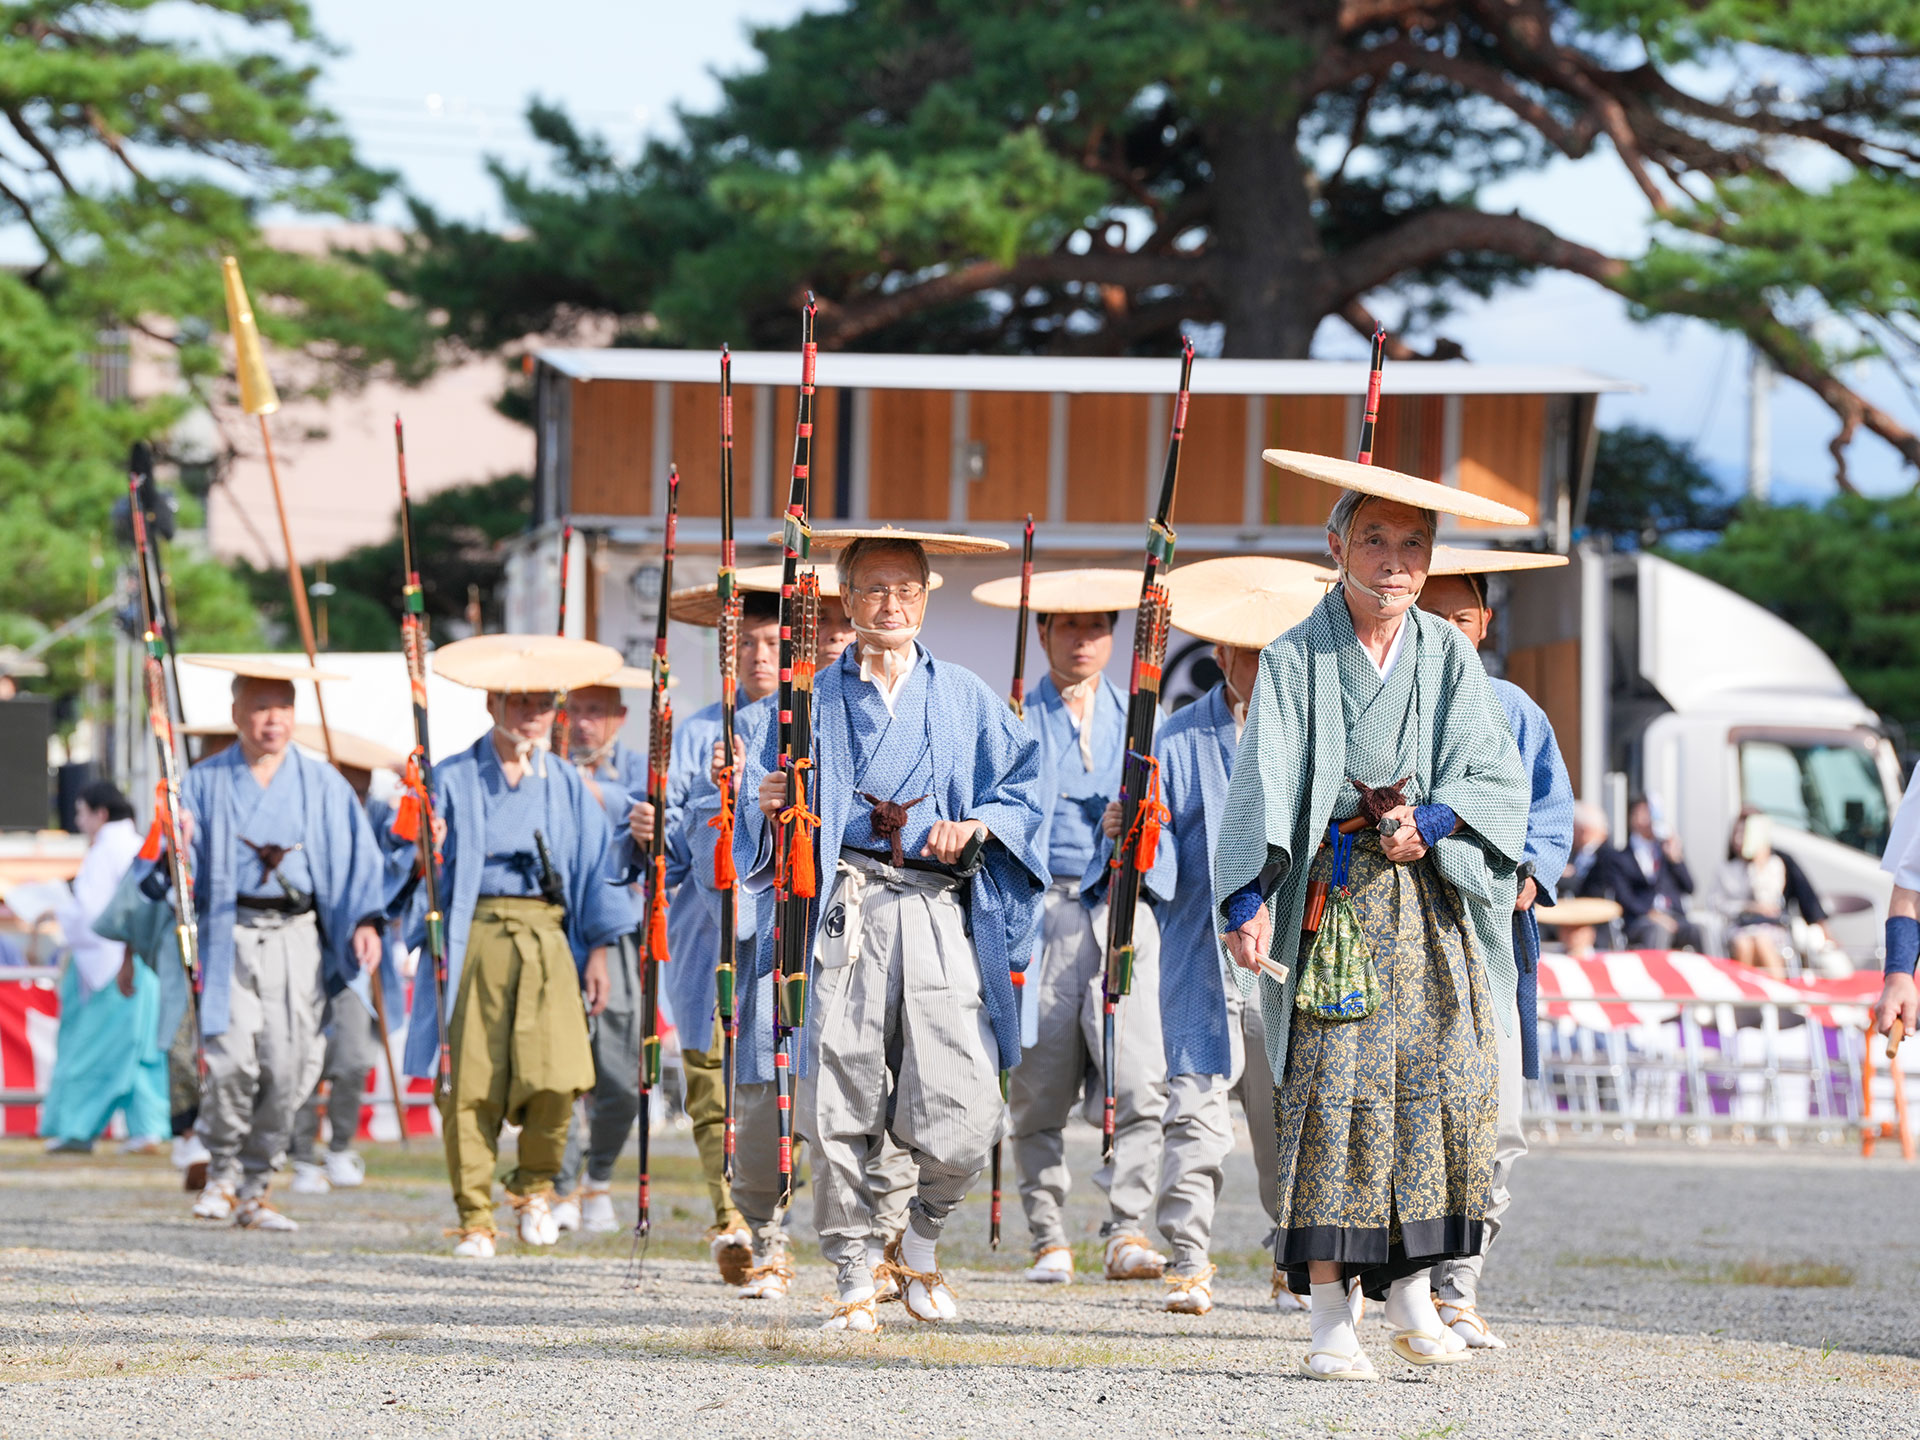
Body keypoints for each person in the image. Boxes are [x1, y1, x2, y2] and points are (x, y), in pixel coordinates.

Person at [1214, 456, 1531, 1380]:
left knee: (1440, 1092)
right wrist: (1248, 893)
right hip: (1335, 904)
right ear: (1336, 546)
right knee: (1330, 1100)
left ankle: (1413, 1293)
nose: (1395, 560)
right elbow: (1266, 776)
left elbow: (1489, 771)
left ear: (1432, 562)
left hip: (1429, 910)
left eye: (1414, 544)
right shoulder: (1293, 656)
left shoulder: (1447, 653)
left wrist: (1432, 819)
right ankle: (1327, 1320)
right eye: (1375, 539)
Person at [735, 528, 1047, 1331]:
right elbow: (762, 823)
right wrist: (769, 803)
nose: (892, 604)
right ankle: (849, 1270)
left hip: (937, 908)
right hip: (845, 907)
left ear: (926, 594)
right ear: (845, 601)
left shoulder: (965, 695)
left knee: (966, 1105)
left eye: (907, 589)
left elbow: (1022, 789)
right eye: (874, 590)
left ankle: (920, 1238)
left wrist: (975, 821)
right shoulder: (802, 702)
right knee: (836, 1094)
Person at [1091, 557, 1331, 1315]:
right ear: (1218, 653)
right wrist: (1130, 835)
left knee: (1281, 1115)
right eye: (1241, 648)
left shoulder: (1317, 732)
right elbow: (1153, 860)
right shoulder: (1180, 734)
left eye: (1271, 650)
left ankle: (1292, 1257)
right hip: (1202, 946)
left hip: (1289, 946)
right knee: (1194, 1109)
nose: (1256, 663)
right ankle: (1189, 1257)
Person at [401, 635, 638, 1258]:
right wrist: (430, 843)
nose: (531, 711)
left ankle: (535, 1189)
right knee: (468, 1084)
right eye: (518, 700)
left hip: (548, 936)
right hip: (471, 934)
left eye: (541, 701)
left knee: (558, 1077)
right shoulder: (448, 778)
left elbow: (595, 871)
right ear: (492, 703)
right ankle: (475, 1215)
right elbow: (410, 868)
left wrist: (601, 953)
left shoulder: (564, 782)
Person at [971, 566, 1169, 1287]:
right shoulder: (1012, 716)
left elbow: (1170, 835)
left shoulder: (1147, 718)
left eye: (1098, 626)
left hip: (1121, 912)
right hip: (1044, 914)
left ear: (1115, 637)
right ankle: (1048, 1233)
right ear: (1045, 632)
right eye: (1070, 625)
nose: (1084, 639)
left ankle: (1128, 1230)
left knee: (1143, 1081)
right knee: (1037, 1085)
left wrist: (1138, 827)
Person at [698, 575, 875, 1299]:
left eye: (840, 626)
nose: (829, 638)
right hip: (779, 931)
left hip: (863, 927)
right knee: (764, 1092)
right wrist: (750, 799)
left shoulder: (887, 711)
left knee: (858, 1093)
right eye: (820, 626)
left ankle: (873, 1245)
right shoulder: (756, 723)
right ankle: (767, 1239)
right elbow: (737, 845)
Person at [1418, 550, 1576, 1349]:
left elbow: (1551, 812)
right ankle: (1401, 1283)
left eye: (1461, 617)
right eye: (1428, 615)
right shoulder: (1390, 707)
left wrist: (1532, 872)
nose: (1445, 631)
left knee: (1499, 1124)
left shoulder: (1515, 710)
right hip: (1403, 941)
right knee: (1409, 1116)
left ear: (1482, 626)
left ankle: (1461, 1286)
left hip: (1492, 944)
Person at [176, 659, 388, 1232]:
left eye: (283, 707)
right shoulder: (202, 780)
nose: (273, 720)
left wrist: (365, 921)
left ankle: (255, 1183)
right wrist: (178, 843)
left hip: (299, 937)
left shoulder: (323, 783)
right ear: (236, 713)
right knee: (231, 1061)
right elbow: (180, 870)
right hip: (230, 933)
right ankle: (220, 1170)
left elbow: (355, 862)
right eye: (261, 707)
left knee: (291, 1065)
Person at [546, 669, 653, 1241]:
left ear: (618, 717)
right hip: (552, 927)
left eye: (596, 711)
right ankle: (561, 1184)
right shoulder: (541, 766)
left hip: (618, 929)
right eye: (574, 710)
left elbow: (662, 824)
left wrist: (602, 800)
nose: (582, 722)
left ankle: (601, 1175)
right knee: (556, 1068)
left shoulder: (639, 770)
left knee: (618, 1071)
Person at [286, 728, 408, 1194]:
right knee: (303, 1057)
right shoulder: (307, 812)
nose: (351, 797)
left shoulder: (380, 817)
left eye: (359, 788)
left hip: (357, 958)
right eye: (345, 787)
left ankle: (339, 1146)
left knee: (354, 1058)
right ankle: (299, 1153)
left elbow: (400, 864)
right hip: (307, 946)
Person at [38, 781, 167, 1154]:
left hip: (107, 964)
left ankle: (78, 1127)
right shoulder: (138, 844)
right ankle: (150, 1127)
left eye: (81, 812)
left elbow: (95, 916)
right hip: (141, 959)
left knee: (91, 1048)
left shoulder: (106, 850)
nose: (79, 821)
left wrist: (58, 911)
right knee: (142, 1049)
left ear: (101, 813)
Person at [1714, 809, 1832, 979]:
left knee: (1762, 941)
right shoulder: (1725, 870)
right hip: (1738, 926)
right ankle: (1746, 996)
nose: (1740, 839)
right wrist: (1748, 907)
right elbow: (1717, 903)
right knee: (1743, 944)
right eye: (1737, 833)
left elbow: (1769, 901)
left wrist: (1759, 867)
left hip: (1770, 927)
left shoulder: (1774, 864)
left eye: (1746, 834)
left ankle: (1778, 995)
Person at [1582, 797, 1703, 951]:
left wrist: (1676, 860)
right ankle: (1655, 973)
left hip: (1675, 917)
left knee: (1703, 930)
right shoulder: (1619, 858)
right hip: (1641, 920)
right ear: (1632, 817)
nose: (1650, 817)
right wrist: (1652, 914)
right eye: (1644, 811)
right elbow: (1624, 897)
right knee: (1658, 930)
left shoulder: (1667, 852)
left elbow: (1690, 887)